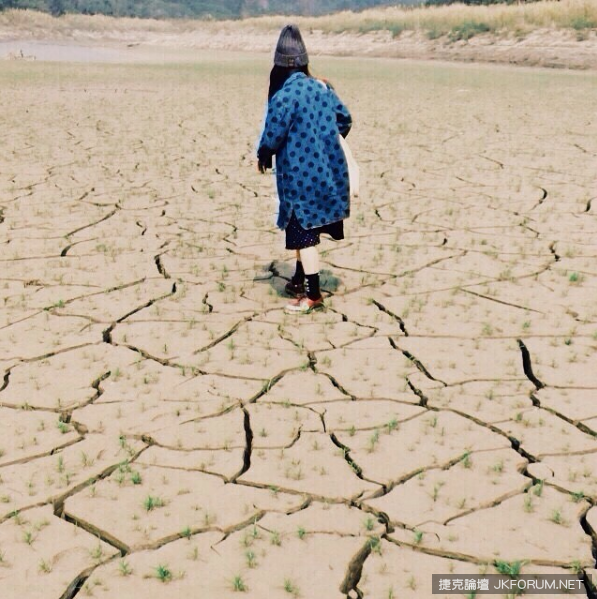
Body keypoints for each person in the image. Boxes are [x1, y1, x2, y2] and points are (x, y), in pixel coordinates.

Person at [257, 24, 353, 315]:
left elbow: (273, 134)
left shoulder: (285, 95)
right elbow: (345, 120)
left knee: (304, 237)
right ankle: (299, 280)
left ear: (278, 66)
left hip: (299, 180)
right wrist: (324, 142)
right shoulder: (322, 88)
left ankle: (312, 295)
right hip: (328, 176)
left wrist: (263, 154)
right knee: (307, 233)